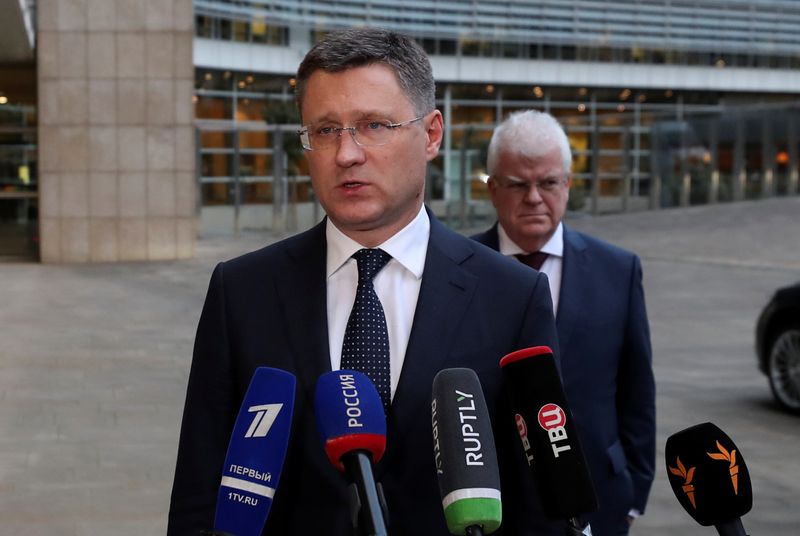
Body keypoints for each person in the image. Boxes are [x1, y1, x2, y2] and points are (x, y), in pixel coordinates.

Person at [168, 29, 562, 535]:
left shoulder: (513, 296)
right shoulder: (241, 291)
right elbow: (199, 494)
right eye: (325, 130)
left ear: (432, 134)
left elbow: (541, 501)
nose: (346, 154)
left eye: (373, 125)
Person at [472, 110, 656, 536]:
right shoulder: (457, 270)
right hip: (495, 508)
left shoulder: (619, 270)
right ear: (493, 189)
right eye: (519, 184)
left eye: (549, 182)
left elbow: (637, 392)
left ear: (568, 185)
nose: (534, 197)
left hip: (600, 500)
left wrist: (634, 495)